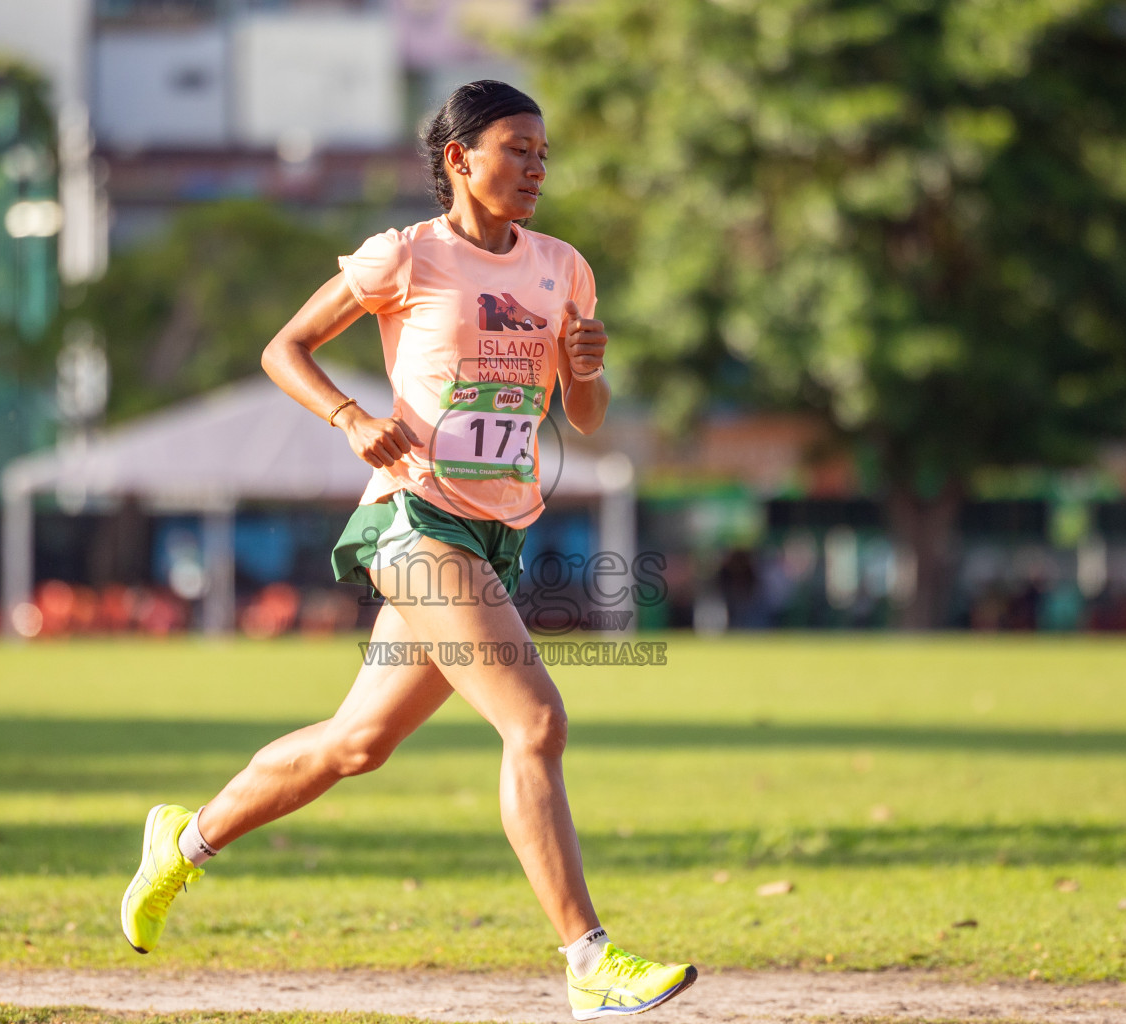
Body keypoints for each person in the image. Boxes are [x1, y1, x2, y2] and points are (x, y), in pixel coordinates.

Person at [119, 80, 697, 1020]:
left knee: (356, 744)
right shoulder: (405, 256)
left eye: (544, 153)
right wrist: (350, 417)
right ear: (458, 158)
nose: (536, 168)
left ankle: (183, 842)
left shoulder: (563, 269)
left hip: (494, 532)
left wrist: (586, 368)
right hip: (411, 519)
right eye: (516, 149)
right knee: (535, 723)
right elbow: (285, 348)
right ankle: (588, 960)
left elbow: (581, 417)